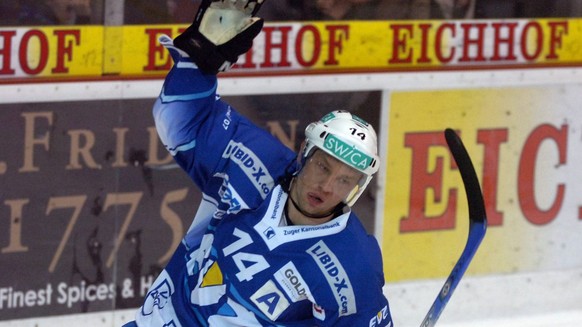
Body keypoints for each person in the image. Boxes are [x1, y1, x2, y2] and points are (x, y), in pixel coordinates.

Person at [123, 0, 393, 326]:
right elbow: (183, 126)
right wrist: (199, 63)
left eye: (345, 180)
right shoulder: (254, 161)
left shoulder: (354, 265)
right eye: (323, 167)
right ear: (304, 152)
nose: (327, 186)